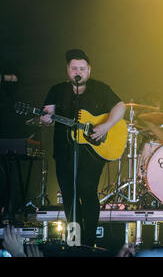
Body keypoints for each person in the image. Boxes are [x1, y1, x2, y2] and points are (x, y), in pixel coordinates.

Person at [40, 49, 125, 247]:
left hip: (92, 152)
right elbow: (47, 114)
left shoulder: (100, 88)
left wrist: (105, 126)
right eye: (74, 68)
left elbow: (120, 107)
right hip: (64, 151)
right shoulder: (58, 90)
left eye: (82, 68)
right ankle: (74, 241)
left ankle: (89, 241)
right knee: (69, 195)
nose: (78, 72)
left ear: (89, 70)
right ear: (67, 70)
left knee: (87, 189)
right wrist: (45, 118)